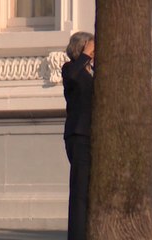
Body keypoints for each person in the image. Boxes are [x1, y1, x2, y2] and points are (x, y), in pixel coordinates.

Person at [62, 31, 95, 240]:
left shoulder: (93, 70)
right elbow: (73, 76)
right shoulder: (70, 68)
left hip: (95, 135)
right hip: (79, 134)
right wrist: (86, 55)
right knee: (80, 189)